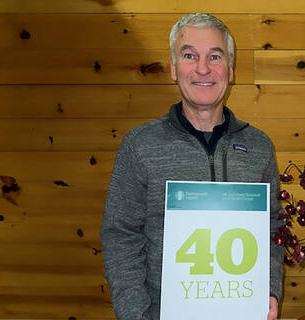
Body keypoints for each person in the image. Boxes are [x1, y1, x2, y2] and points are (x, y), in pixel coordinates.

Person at [100, 13, 284, 320]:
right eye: (189, 56)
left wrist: (269, 292)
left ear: (231, 69)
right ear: (174, 68)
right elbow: (121, 236)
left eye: (215, 56)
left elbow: (273, 229)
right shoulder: (140, 146)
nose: (202, 68)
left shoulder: (259, 147)